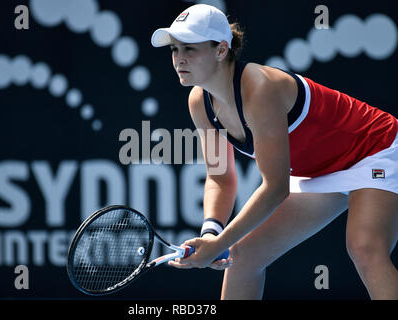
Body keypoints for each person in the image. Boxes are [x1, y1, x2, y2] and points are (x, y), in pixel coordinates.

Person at [151, 4, 398, 299]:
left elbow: (276, 187)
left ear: (220, 50)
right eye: (175, 50)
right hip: (318, 172)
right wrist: (211, 233)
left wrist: (218, 246)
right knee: (242, 255)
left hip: (374, 148)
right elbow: (219, 177)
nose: (179, 59)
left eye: (190, 49)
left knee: (366, 247)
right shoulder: (199, 103)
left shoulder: (259, 88)